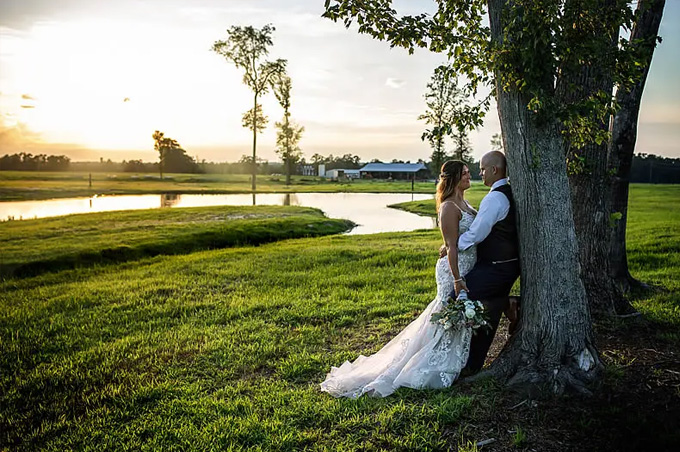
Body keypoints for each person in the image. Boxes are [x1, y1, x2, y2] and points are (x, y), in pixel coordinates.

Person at [320, 160, 478, 398]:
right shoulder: (448, 207)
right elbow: (451, 247)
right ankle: (421, 365)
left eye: (468, 172)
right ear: (454, 178)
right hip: (453, 270)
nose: (469, 176)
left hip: (466, 265)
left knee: (451, 313)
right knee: (445, 310)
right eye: (465, 173)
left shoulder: (464, 202)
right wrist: (457, 280)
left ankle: (452, 360)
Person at [455, 151, 520, 373]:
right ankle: (473, 365)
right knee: (489, 309)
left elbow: (477, 234)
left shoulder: (495, 198)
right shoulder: (506, 192)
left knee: (458, 296)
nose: (480, 173)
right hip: (504, 266)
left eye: (483, 169)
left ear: (494, 170)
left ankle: (509, 302)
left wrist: (452, 245)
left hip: (497, 267)